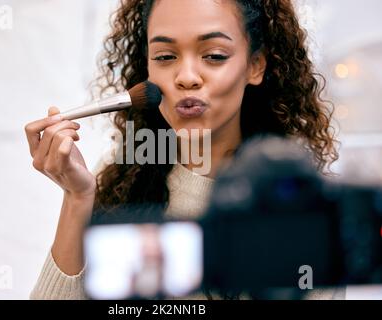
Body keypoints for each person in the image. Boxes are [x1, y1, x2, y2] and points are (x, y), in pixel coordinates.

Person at [25, 0, 339, 300]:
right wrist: (77, 197)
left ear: (254, 66)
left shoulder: (301, 202)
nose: (186, 77)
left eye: (214, 55)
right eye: (164, 57)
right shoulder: (122, 184)